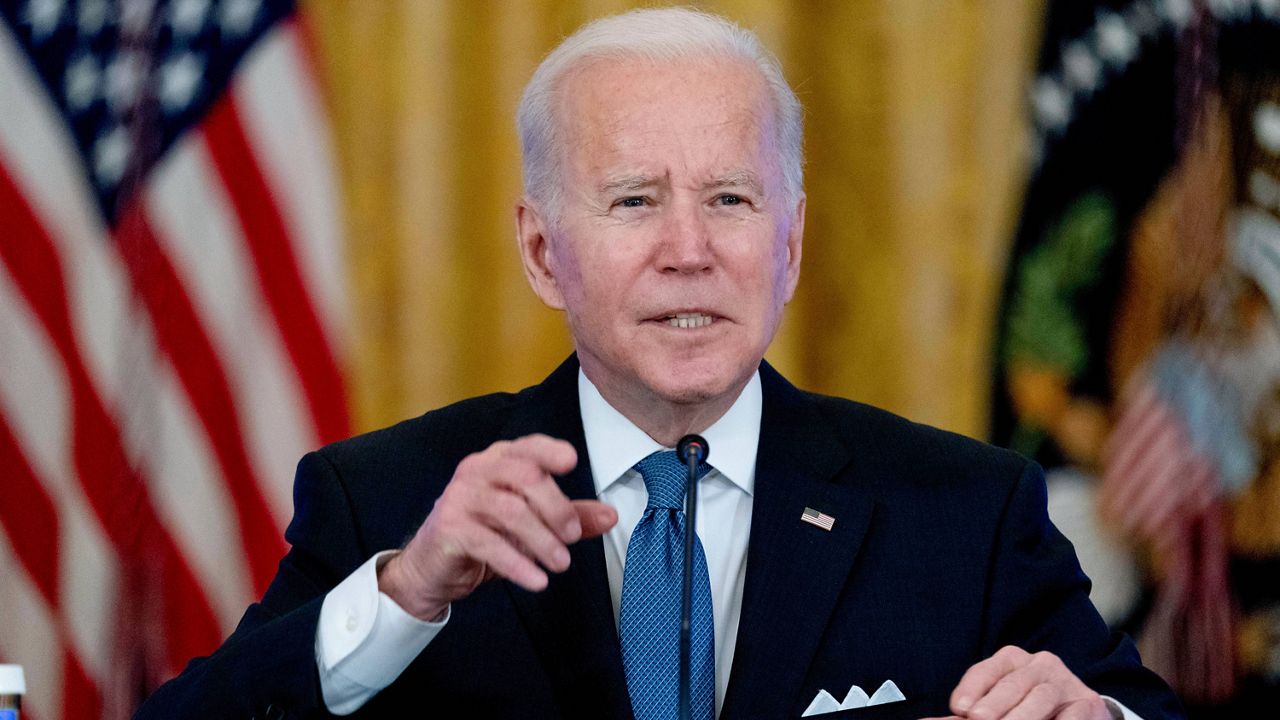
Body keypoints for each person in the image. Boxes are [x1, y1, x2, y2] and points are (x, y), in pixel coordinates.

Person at [135, 8, 1183, 720]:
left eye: (730, 199)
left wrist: (1088, 713)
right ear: (543, 253)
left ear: (790, 246)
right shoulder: (389, 506)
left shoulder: (965, 512)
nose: (690, 247)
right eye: (634, 200)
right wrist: (406, 592)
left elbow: (1135, 709)